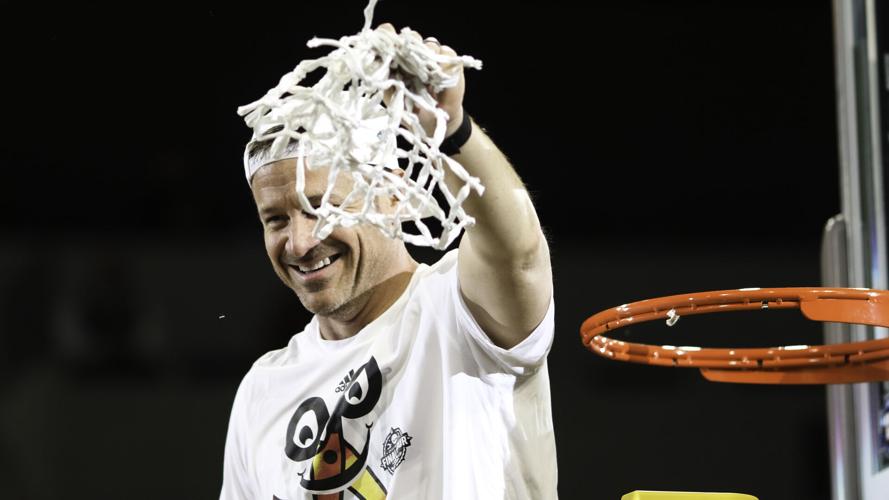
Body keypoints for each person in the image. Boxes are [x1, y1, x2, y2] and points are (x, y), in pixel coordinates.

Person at [220, 23, 556, 500]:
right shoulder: (262, 390)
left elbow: (517, 253)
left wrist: (452, 128)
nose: (298, 242)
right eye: (276, 219)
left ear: (393, 193)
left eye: (322, 207)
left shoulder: (460, 311)